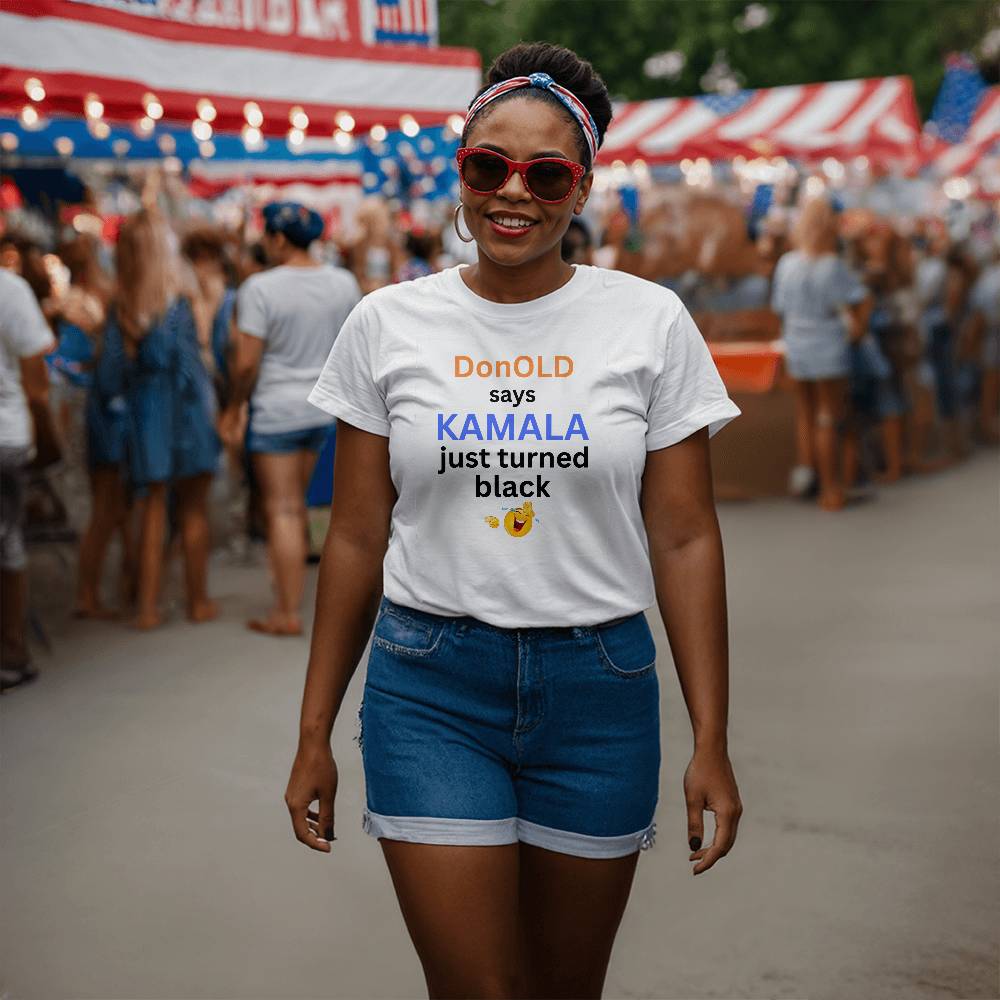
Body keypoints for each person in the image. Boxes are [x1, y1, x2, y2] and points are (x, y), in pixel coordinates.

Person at [286, 42, 744, 999]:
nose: (514, 193)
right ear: (461, 171)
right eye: (488, 166)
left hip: (601, 691)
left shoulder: (650, 321)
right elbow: (359, 536)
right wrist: (313, 728)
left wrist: (712, 737)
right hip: (429, 691)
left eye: (546, 173)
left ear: (581, 188)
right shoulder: (385, 323)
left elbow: (687, 536)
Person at [220, 202, 361, 636]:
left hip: (276, 411)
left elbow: (246, 363)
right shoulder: (343, 282)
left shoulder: (259, 288)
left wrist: (233, 406)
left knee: (282, 510)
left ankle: (285, 611)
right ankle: (313, 602)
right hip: (325, 408)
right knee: (311, 509)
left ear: (278, 238)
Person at [99, 208, 220, 629]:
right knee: (193, 509)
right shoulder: (181, 301)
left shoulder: (122, 304)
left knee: (149, 508)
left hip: (146, 413)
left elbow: (110, 374)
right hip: (185, 412)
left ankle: (146, 606)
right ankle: (197, 600)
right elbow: (191, 367)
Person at [771, 197, 870, 510]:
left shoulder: (786, 263)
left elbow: (779, 308)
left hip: (797, 343)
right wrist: (857, 329)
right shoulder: (832, 265)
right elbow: (860, 299)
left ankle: (808, 476)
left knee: (805, 413)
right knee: (829, 415)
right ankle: (832, 487)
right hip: (827, 345)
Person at [0, 267, 56, 691]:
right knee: (8, 544)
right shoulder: (9, 289)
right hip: (5, 435)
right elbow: (37, 383)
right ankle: (12, 652)